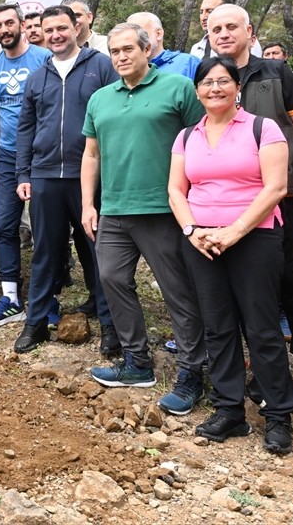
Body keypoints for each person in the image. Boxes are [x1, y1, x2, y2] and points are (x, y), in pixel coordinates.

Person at [167, 56, 293, 454]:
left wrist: (235, 230)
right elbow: (175, 190)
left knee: (261, 327)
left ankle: (278, 415)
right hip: (203, 242)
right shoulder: (187, 136)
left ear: (238, 87)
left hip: (254, 238)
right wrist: (192, 231)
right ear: (197, 91)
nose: (215, 88)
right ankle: (229, 410)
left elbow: (275, 188)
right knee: (218, 327)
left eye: (223, 81)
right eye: (207, 82)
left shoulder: (262, 128)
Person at [82, 23, 207, 416]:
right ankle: (137, 362)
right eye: (114, 51)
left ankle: (192, 372)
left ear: (147, 50)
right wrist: (88, 204)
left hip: (162, 209)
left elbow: (202, 142)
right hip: (114, 209)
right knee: (112, 279)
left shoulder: (178, 89)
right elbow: (91, 154)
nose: (121, 57)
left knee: (177, 291)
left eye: (128, 49)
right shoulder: (101, 98)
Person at [207, 3, 293, 412]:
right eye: (216, 28)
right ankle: (263, 369)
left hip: (281, 197)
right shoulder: (209, 77)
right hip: (232, 205)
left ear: (249, 31)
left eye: (231, 26)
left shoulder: (276, 73)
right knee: (251, 290)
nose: (224, 34)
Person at [15, 5, 120, 354]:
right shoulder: (37, 77)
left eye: (62, 28)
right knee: (45, 252)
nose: (55, 35)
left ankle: (110, 325)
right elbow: (26, 128)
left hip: (89, 177)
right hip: (45, 176)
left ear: (76, 28)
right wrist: (24, 173)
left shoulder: (100, 66)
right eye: (49, 30)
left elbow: (116, 115)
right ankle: (36, 323)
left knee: (98, 252)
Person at [0, 3, 52, 326]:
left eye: (9, 23)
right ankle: (10, 297)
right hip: (8, 156)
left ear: (22, 24)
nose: (4, 29)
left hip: (43, 155)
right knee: (4, 226)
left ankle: (48, 298)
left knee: (46, 229)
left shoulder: (43, 58)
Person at [127, 11, 199, 80]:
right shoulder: (126, 69)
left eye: (140, 35)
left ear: (158, 34)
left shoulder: (188, 63)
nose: (132, 41)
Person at [189, 0, 262, 58]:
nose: (203, 17)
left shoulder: (246, 42)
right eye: (201, 12)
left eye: (210, 11)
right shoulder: (197, 48)